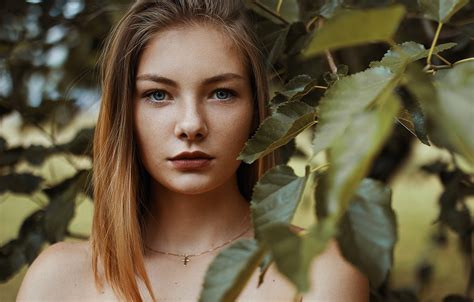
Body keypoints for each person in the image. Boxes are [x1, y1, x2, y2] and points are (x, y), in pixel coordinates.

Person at [16, 0, 369, 301]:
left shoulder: (320, 269)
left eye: (221, 93)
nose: (190, 125)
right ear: (125, 113)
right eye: (158, 94)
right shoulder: (56, 281)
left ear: (256, 111)